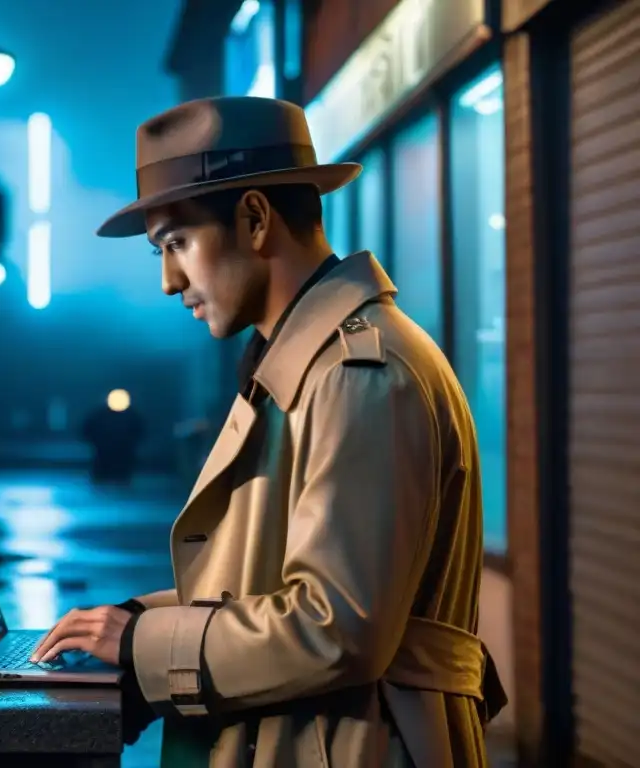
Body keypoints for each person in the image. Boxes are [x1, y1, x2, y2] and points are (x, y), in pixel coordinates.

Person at [31, 96, 506, 767]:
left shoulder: (359, 374)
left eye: (177, 244)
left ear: (255, 219)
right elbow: (269, 588)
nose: (170, 282)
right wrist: (135, 623)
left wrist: (141, 645)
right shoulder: (305, 364)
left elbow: (334, 627)